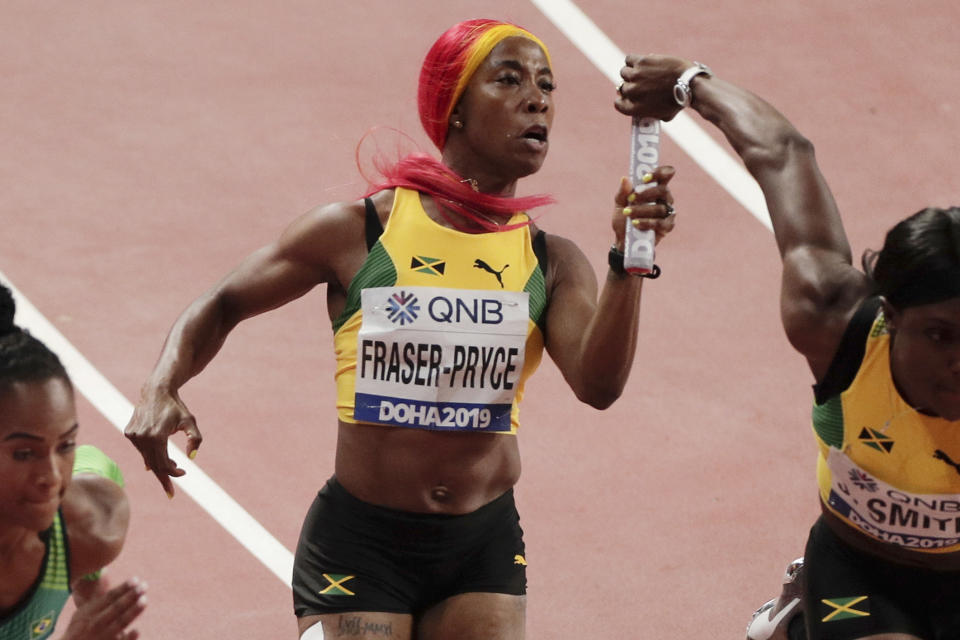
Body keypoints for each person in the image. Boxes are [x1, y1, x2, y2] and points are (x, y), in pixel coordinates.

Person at [123, 17, 676, 640]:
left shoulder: (552, 261)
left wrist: (630, 259)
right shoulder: (361, 233)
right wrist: (161, 384)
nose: (537, 97)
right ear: (455, 110)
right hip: (363, 545)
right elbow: (223, 301)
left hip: (482, 543)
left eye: (547, 85)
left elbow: (599, 386)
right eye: (510, 79)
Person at [616, 54, 960, 640]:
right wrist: (687, 83)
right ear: (892, 317)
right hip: (860, 568)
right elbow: (783, 154)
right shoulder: (834, 322)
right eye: (940, 335)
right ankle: (805, 612)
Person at [0, 283, 146, 640]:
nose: (51, 476)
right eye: (24, 453)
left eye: (66, 444)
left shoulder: (91, 527)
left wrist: (88, 579)